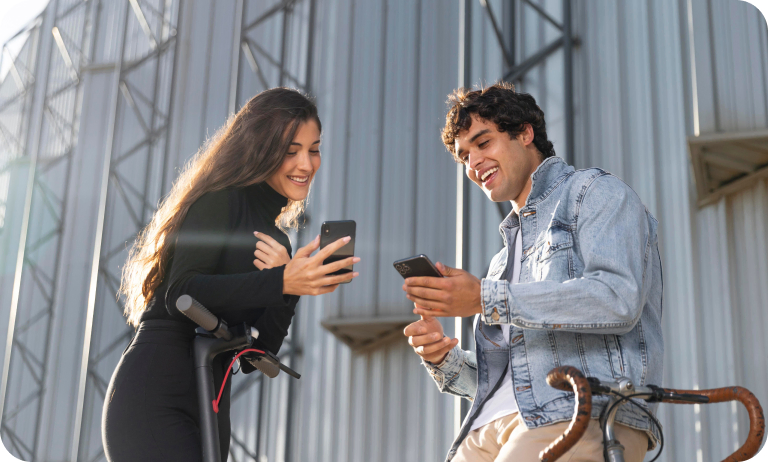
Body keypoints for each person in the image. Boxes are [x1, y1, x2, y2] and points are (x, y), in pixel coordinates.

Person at [402, 82, 663, 462]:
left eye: (483, 143)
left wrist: (484, 298)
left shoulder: (594, 192)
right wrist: (446, 361)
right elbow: (516, 376)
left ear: (524, 133)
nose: (473, 164)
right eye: (464, 157)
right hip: (488, 429)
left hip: (579, 414)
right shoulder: (501, 259)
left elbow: (617, 299)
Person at [102, 88, 359, 462]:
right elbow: (181, 293)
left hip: (211, 398)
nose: (306, 163)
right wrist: (282, 280)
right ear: (261, 147)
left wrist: (287, 287)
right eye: (291, 150)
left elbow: (257, 357)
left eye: (313, 149)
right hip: (156, 391)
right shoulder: (220, 199)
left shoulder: (276, 240)